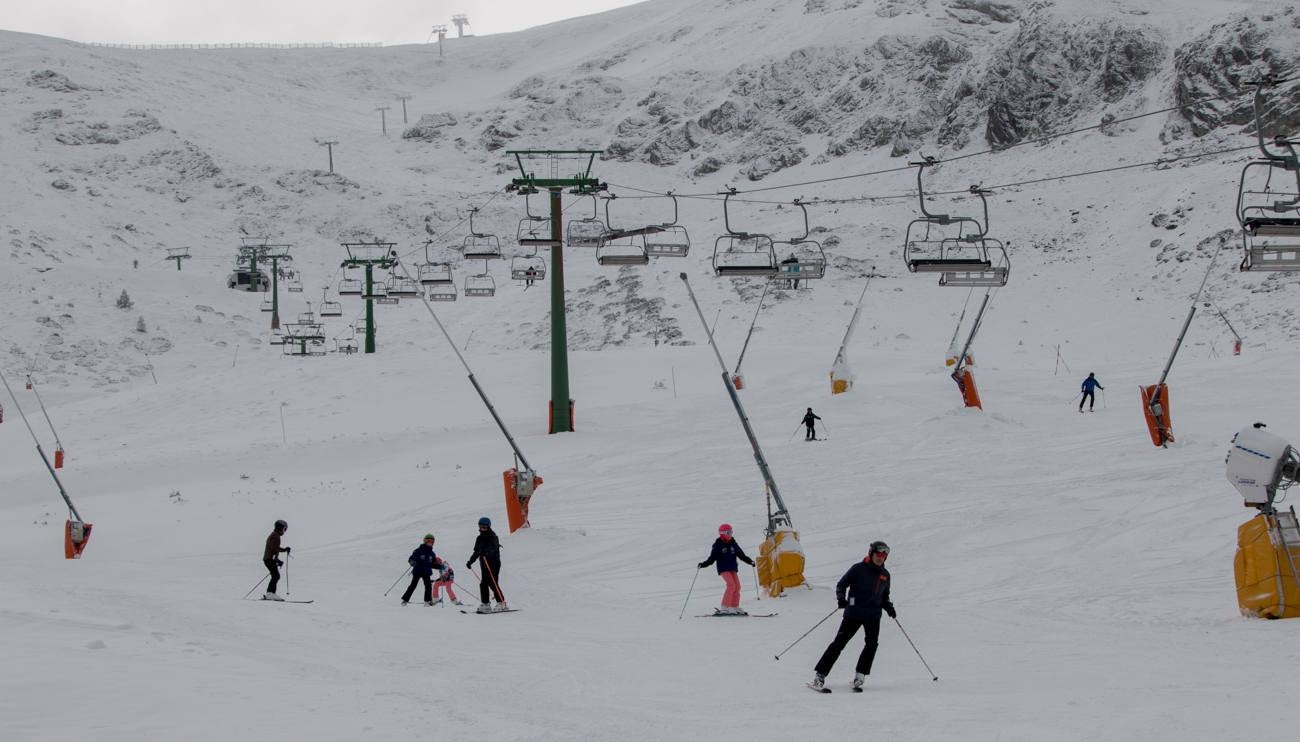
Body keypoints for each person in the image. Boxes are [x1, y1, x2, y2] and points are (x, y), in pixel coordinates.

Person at [811, 540, 896, 692]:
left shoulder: (885, 575)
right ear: (871, 553)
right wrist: (841, 598)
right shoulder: (858, 569)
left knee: (872, 644)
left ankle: (860, 675)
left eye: (884, 556)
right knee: (839, 643)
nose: (880, 558)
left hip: (874, 616)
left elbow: (884, 596)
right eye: (878, 554)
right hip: (854, 613)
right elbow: (841, 584)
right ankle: (820, 676)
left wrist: (888, 606)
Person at [697, 523, 755, 615]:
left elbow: (741, 555)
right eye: (729, 532)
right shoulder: (718, 545)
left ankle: (734, 607)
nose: (730, 534)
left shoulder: (733, 543)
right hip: (723, 568)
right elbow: (711, 559)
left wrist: (750, 561)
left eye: (731, 532)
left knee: (737, 586)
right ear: (723, 533)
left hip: (732, 568)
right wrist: (703, 564)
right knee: (731, 585)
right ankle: (725, 606)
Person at [466, 516, 505, 613]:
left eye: (484, 526)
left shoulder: (493, 537)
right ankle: (486, 604)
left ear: (488, 526)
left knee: (492, 582)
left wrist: (486, 552)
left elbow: (493, 548)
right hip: (484, 564)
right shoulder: (479, 538)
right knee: (483, 583)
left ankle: (501, 603)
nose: (482, 528)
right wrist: (470, 561)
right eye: (481, 526)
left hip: (494, 563)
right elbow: (476, 552)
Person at [401, 534, 442, 606]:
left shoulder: (432, 554)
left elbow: (432, 564)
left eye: (432, 541)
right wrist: (412, 562)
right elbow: (411, 558)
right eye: (428, 541)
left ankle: (428, 601)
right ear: (425, 541)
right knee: (413, 585)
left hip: (426, 572)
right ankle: (405, 600)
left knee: (428, 586)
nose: (430, 542)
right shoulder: (418, 550)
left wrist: (440, 566)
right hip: (417, 570)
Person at [262, 519, 291, 601]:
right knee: (276, 576)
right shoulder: (275, 536)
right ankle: (270, 594)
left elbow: (275, 548)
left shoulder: (274, 535)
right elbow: (273, 548)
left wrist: (284, 550)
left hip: (268, 559)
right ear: (280, 528)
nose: (284, 531)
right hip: (269, 559)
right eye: (284, 529)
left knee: (275, 576)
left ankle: (270, 594)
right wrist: (276, 559)